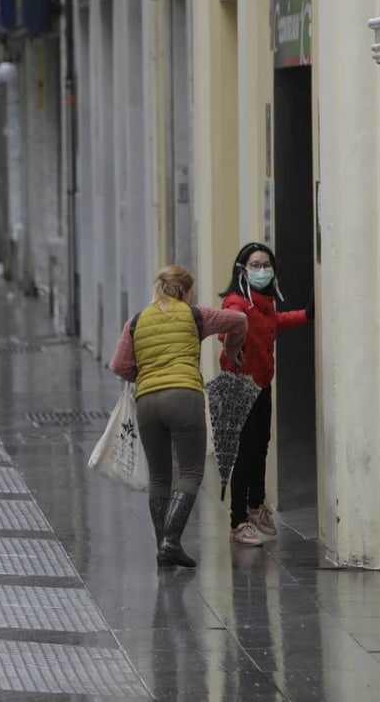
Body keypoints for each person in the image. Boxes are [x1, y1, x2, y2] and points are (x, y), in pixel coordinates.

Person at [109, 266, 248, 568]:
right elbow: (240, 320)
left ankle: (164, 547)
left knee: (160, 476)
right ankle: (170, 541)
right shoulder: (196, 315)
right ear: (185, 291)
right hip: (184, 397)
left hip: (147, 401)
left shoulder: (136, 321)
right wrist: (232, 349)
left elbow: (119, 365)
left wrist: (146, 374)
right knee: (190, 472)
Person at [218, 242, 314, 546]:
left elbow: (275, 323)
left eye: (266, 264)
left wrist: (306, 315)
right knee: (243, 454)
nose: (262, 270)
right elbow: (226, 327)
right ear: (242, 270)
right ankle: (238, 522)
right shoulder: (237, 302)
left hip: (261, 383)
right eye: (255, 265)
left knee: (260, 447)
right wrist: (232, 340)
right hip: (240, 387)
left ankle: (256, 506)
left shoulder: (264, 302)